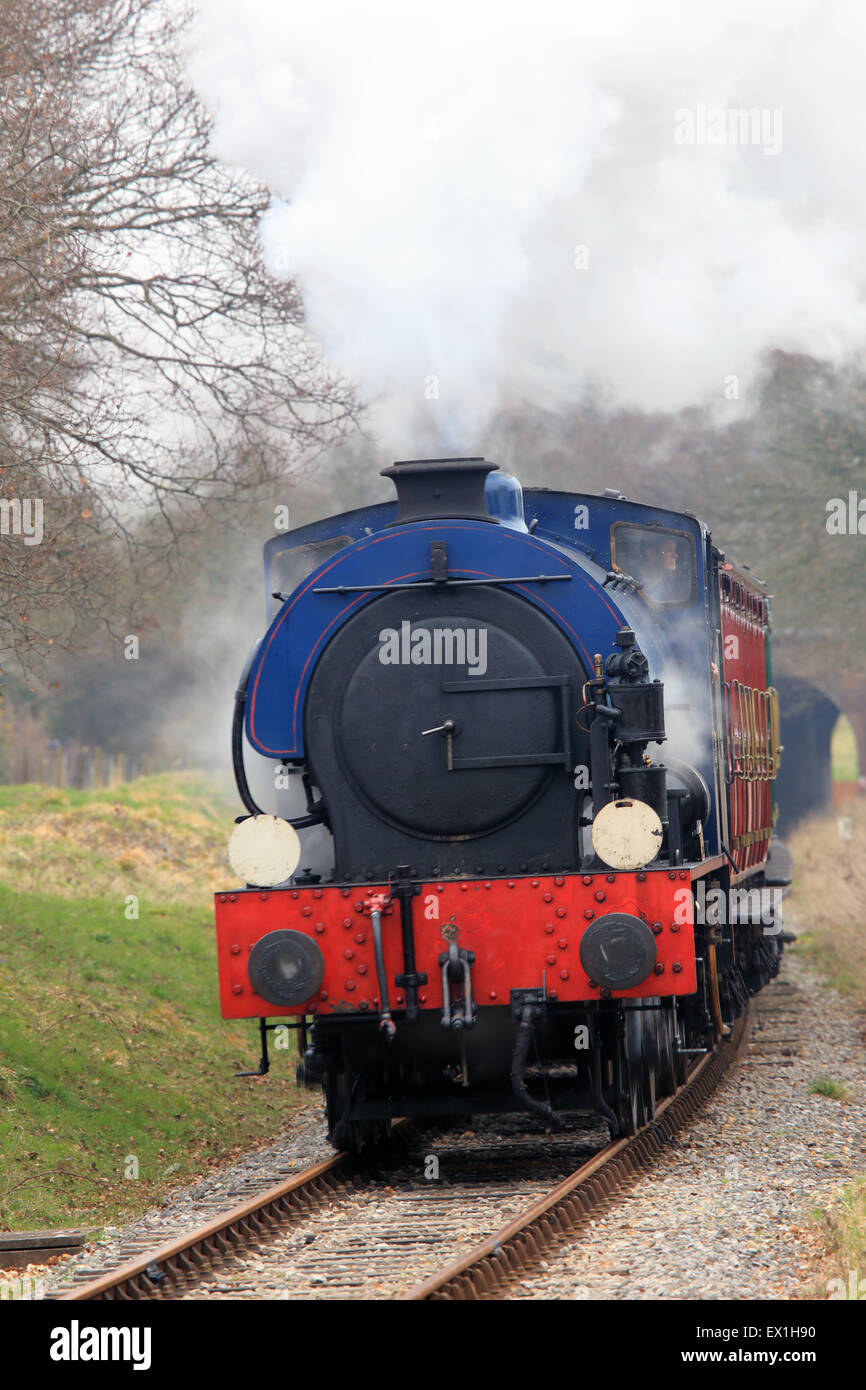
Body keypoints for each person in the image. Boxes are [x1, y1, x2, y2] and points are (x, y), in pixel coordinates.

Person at [641, 535, 681, 601]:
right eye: (668, 550)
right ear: (651, 554)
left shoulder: (675, 584)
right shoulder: (629, 579)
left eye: (675, 550)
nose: (675, 555)